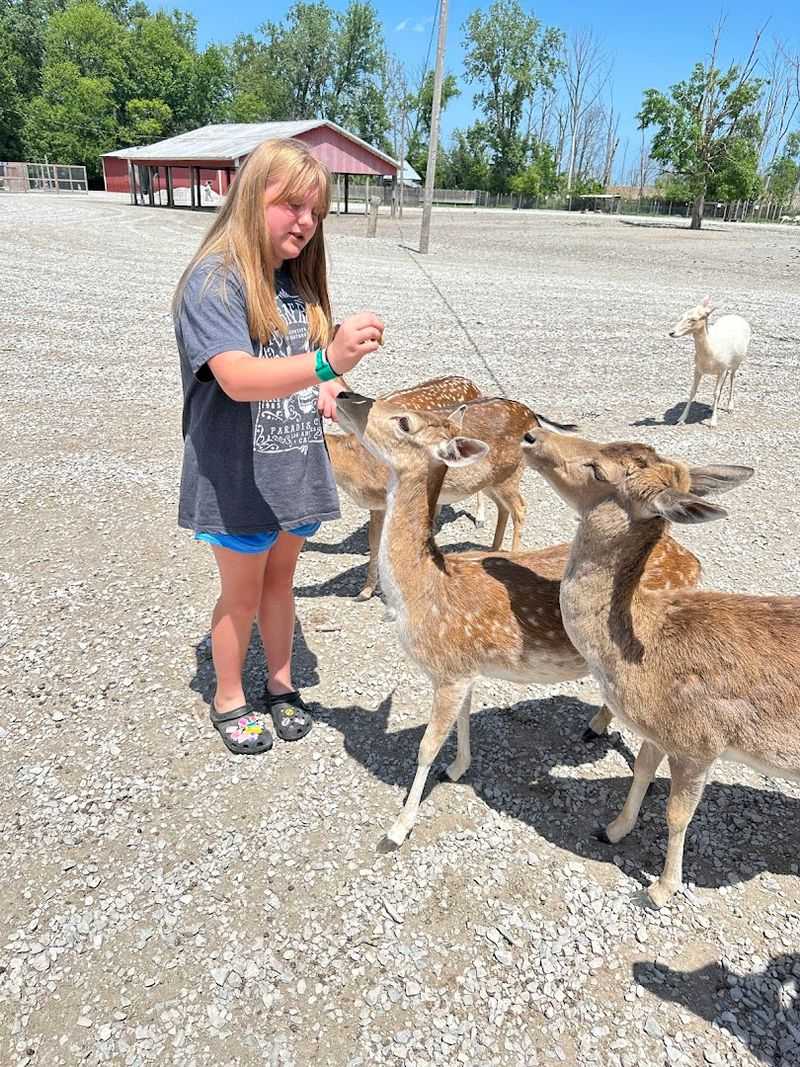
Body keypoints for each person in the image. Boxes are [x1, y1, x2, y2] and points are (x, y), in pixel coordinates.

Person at [173, 138, 383, 754]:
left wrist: (334, 381)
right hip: (237, 476)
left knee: (281, 582)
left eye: (315, 211)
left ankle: (282, 684)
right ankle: (230, 695)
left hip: (294, 468)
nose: (305, 221)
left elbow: (307, 367)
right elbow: (236, 376)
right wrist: (324, 361)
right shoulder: (215, 281)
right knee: (240, 595)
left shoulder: (295, 284)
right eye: (291, 204)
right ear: (247, 198)